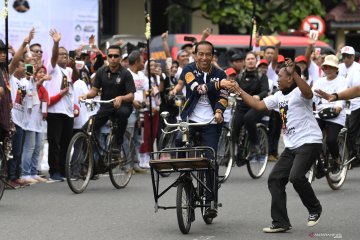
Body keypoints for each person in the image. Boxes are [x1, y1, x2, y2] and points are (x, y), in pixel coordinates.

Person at [229, 59, 323, 232]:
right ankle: (281, 222)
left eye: (280, 76)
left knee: (296, 177)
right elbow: (257, 104)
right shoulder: (279, 96)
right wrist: (239, 90)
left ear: (291, 79)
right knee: (275, 179)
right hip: (292, 146)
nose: (277, 79)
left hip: (309, 142)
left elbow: (308, 92)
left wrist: (294, 71)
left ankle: (315, 208)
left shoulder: (300, 94)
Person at [179, 40, 235, 218]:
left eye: (207, 54)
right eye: (200, 54)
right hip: (191, 120)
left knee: (210, 160)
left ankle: (211, 201)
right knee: (178, 145)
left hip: (211, 122)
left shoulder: (220, 73)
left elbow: (224, 96)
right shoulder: (188, 70)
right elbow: (198, 89)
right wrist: (219, 84)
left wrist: (219, 111)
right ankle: (184, 183)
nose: (204, 58)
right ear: (195, 55)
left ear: (212, 56)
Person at [80, 45, 136, 154]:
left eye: (116, 56)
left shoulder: (126, 73)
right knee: (86, 129)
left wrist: (121, 98)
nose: (113, 58)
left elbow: (131, 95)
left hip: (122, 106)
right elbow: (94, 91)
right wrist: (86, 95)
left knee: (122, 113)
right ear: (107, 57)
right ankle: (88, 161)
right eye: (110, 56)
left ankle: (117, 143)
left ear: (120, 57)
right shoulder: (101, 71)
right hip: (106, 107)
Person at [44, 29, 78, 181]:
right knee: (55, 143)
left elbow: (76, 77)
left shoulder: (69, 71)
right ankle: (54, 171)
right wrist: (56, 43)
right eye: (62, 54)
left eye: (66, 55)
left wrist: (75, 63)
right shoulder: (53, 68)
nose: (64, 57)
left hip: (68, 112)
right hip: (55, 111)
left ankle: (64, 170)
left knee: (66, 143)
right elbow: (53, 56)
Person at [231, 51, 269, 166]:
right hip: (241, 106)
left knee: (248, 118)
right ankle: (240, 151)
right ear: (244, 62)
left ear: (256, 60)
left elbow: (265, 91)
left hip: (257, 106)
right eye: (248, 59)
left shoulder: (262, 76)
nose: (250, 61)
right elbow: (234, 89)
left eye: (252, 58)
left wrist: (258, 96)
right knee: (235, 127)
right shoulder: (239, 76)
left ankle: (255, 146)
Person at [312, 55, 347, 176]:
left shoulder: (342, 80)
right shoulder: (319, 81)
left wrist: (338, 106)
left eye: (331, 67)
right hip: (321, 113)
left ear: (336, 68)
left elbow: (342, 96)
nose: (327, 69)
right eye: (325, 67)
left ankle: (337, 160)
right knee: (312, 137)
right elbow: (312, 96)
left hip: (336, 115)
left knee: (331, 140)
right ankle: (320, 162)